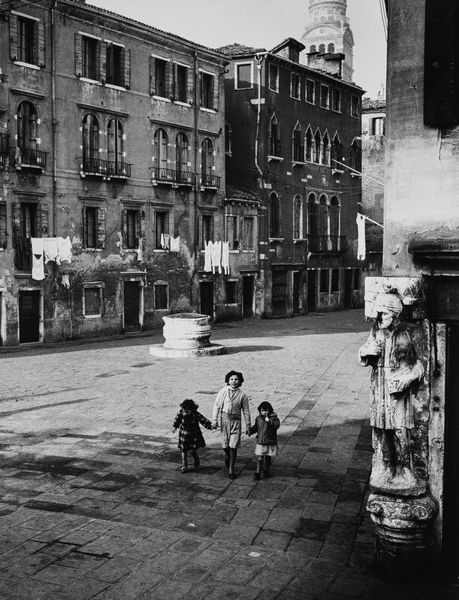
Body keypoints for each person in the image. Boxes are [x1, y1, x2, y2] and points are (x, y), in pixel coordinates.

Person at [359, 290, 425, 495]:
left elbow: (422, 364)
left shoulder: (410, 332)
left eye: (384, 314)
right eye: (378, 314)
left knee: (400, 430)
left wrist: (407, 378)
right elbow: (364, 350)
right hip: (379, 385)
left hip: (399, 389)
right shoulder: (376, 330)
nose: (380, 318)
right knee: (382, 430)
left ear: (395, 314)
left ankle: (405, 468)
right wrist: (366, 353)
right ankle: (388, 468)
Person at [212, 370, 251, 479]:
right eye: (232, 379)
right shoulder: (223, 391)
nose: (234, 381)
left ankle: (231, 469)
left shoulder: (242, 395)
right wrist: (214, 420)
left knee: (233, 446)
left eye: (236, 379)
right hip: (224, 422)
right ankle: (228, 455)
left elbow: (246, 411)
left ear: (240, 381)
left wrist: (248, 426)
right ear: (228, 381)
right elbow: (217, 405)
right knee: (225, 446)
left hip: (236, 423)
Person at [172, 399, 212, 473]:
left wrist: (211, 426)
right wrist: (175, 427)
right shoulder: (181, 412)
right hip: (184, 434)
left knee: (192, 449)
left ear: (192, 409)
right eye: (185, 410)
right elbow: (177, 419)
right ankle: (184, 465)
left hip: (193, 434)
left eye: (188, 410)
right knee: (183, 449)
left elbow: (203, 420)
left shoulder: (195, 414)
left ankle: (196, 458)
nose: (186, 412)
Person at [249, 401, 280, 480]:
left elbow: (276, 426)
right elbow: (256, 427)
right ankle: (258, 472)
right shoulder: (258, 418)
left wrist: (269, 421)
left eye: (266, 410)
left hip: (270, 441)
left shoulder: (273, 418)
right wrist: (250, 431)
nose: (264, 412)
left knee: (268, 456)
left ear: (269, 410)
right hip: (261, 442)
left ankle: (266, 470)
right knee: (260, 457)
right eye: (262, 411)